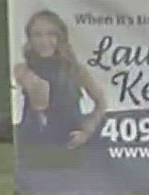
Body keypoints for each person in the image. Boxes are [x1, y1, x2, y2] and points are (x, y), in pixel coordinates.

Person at [12, 9, 108, 149]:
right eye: (37, 35)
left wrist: (87, 131)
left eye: (51, 34)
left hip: (72, 144)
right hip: (36, 144)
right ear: (30, 39)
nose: (44, 41)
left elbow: (101, 102)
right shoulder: (23, 69)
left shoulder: (75, 69)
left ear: (60, 37)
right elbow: (41, 98)